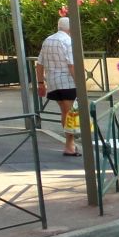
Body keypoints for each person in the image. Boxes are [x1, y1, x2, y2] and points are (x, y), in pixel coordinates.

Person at [35, 16, 79, 156]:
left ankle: (70, 144)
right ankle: (69, 146)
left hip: (53, 82)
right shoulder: (68, 41)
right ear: (70, 29)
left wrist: (41, 83)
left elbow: (39, 64)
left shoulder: (48, 40)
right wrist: (80, 84)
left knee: (64, 112)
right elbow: (72, 65)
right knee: (70, 113)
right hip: (67, 82)